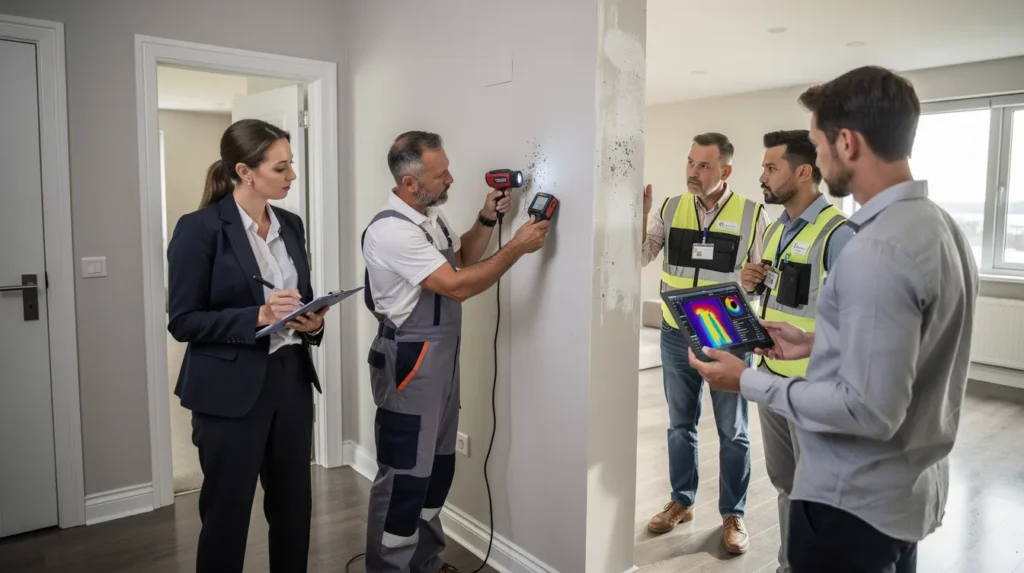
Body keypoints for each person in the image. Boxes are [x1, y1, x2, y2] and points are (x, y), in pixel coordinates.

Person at [687, 66, 980, 573]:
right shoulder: (940, 228)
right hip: (904, 497)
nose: (817, 158)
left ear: (846, 142)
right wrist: (810, 343)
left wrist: (748, 382)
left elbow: (868, 410)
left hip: (850, 505)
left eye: (819, 144)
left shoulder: (875, 247)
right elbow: (902, 358)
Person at [360, 131, 549, 573]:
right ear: (410, 183)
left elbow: (460, 258)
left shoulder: (428, 218)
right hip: (409, 362)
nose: (450, 178)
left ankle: (424, 561)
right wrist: (516, 248)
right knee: (405, 475)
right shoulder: (391, 230)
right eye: (440, 173)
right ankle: (389, 567)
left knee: (437, 469)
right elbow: (457, 286)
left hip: (441, 361)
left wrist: (486, 220)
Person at [166, 118, 328, 572]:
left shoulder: (291, 225)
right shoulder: (199, 229)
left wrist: (312, 324)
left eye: (290, 165)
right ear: (245, 171)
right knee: (227, 515)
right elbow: (183, 320)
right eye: (281, 168)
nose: (291, 176)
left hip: (291, 380)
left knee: (295, 507)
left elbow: (301, 303)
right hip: (227, 392)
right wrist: (257, 315)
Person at [640, 132, 770, 554]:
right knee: (681, 425)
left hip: (725, 338)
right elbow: (639, 255)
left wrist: (757, 281)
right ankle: (682, 501)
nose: (693, 172)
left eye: (704, 166)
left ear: (725, 171)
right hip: (675, 333)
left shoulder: (752, 214)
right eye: (691, 163)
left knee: (733, 431)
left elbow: (766, 279)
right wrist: (636, 219)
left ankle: (733, 513)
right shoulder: (670, 207)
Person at [739, 129, 854, 573]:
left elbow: (860, 325)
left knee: (817, 493)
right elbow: (776, 299)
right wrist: (750, 287)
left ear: (804, 173)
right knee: (786, 484)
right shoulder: (776, 231)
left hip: (814, 389)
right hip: (771, 379)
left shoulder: (839, 235)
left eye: (771, 168)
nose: (762, 176)